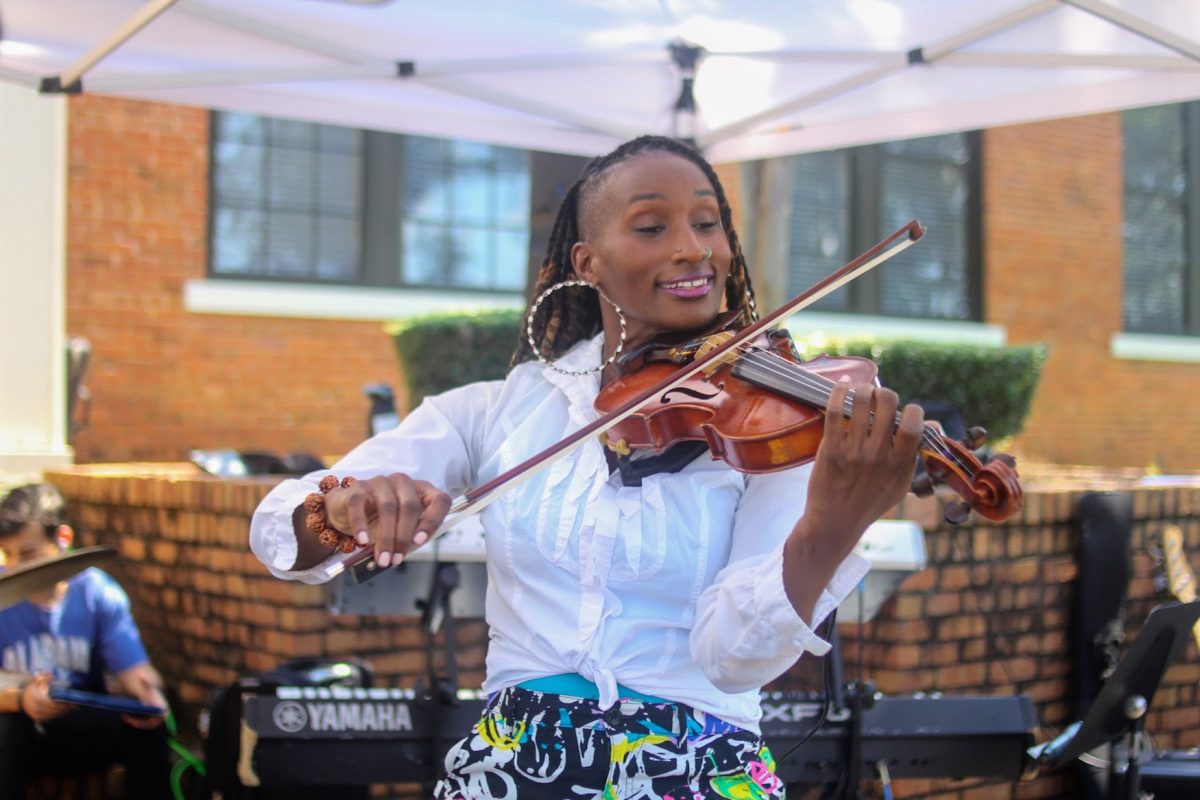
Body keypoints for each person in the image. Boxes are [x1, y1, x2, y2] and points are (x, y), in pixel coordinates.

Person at [250, 134, 925, 799]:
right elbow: (280, 530)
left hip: (696, 770)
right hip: (514, 764)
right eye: (653, 226)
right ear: (588, 261)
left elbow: (733, 659)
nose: (693, 248)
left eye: (708, 223)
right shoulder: (500, 412)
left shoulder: (767, 426)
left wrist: (832, 526)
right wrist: (343, 510)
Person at [0, 482, 170, 800]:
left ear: (62, 539)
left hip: (75, 724)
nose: (15, 566)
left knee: (147, 728)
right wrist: (22, 700)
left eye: (27, 554)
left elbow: (136, 671)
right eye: (7, 555)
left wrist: (150, 695)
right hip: (17, 730)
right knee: (7, 729)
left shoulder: (97, 592)